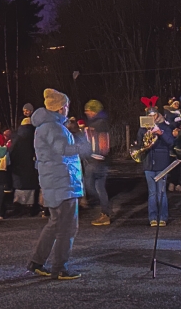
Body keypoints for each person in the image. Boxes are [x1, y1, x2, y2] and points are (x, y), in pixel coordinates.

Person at [27, 88, 91, 279]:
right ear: (60, 107)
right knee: (67, 228)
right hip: (63, 183)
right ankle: (60, 268)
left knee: (55, 225)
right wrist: (84, 146)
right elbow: (63, 149)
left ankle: (37, 262)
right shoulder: (53, 127)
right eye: (66, 105)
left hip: (55, 182)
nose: (67, 108)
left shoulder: (45, 126)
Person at [140, 105, 177, 227]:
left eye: (154, 115)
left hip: (162, 162)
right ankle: (152, 218)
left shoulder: (164, 126)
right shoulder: (142, 128)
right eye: (149, 116)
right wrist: (145, 134)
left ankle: (163, 217)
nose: (152, 117)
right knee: (152, 193)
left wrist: (160, 133)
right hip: (148, 163)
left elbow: (171, 142)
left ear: (158, 115)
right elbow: (139, 144)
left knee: (161, 192)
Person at [82, 99, 112, 224]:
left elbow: (102, 143)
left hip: (96, 160)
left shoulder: (98, 124)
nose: (87, 112)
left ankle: (104, 211)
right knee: (99, 187)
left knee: (89, 185)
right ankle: (105, 212)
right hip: (98, 160)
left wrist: (97, 156)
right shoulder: (97, 123)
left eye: (89, 110)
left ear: (94, 111)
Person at [10, 112, 39, 215]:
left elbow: (12, 153)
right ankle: (31, 208)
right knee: (31, 189)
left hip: (19, 169)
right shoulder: (36, 138)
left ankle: (19, 208)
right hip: (32, 168)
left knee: (20, 189)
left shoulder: (17, 138)